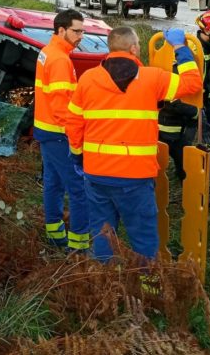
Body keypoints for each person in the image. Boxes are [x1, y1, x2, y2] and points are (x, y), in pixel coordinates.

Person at [65, 26, 202, 262]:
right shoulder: (152, 78)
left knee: (103, 234)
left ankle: (106, 287)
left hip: (96, 174)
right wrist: (181, 48)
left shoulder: (88, 79)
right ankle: (147, 291)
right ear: (133, 48)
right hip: (135, 177)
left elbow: (73, 123)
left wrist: (78, 156)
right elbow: (192, 83)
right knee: (143, 237)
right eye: (138, 44)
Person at [33, 9, 89, 252]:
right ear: (61, 30)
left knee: (53, 184)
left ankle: (55, 235)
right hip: (58, 133)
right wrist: (75, 136)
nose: (81, 36)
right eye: (76, 31)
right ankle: (78, 246)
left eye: (83, 31)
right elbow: (61, 107)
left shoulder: (49, 52)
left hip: (46, 130)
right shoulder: (59, 60)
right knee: (79, 189)